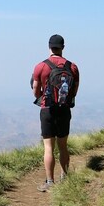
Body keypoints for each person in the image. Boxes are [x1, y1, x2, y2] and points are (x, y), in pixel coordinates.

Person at [31, 34, 79, 192]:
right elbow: (74, 92)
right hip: (64, 110)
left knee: (48, 148)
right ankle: (65, 177)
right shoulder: (72, 67)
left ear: (49, 47)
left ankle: (50, 182)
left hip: (48, 110)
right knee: (63, 146)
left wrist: (43, 97)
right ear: (63, 47)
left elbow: (36, 92)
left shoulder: (41, 66)